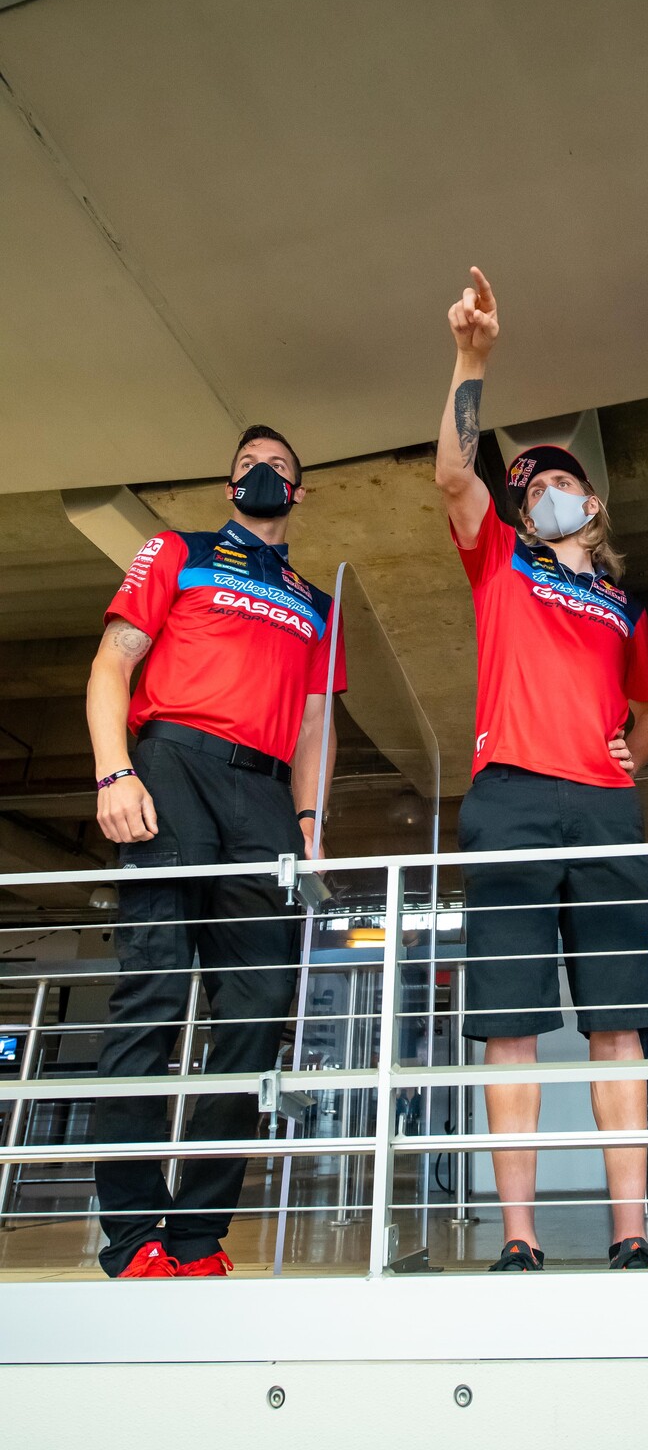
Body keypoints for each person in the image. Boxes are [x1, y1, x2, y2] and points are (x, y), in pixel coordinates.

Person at [436, 268, 648, 1271]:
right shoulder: (500, 559)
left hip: (607, 804)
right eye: (531, 486)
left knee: (620, 1026)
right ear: (524, 510)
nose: (547, 491)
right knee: (510, 1031)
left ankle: (629, 1233)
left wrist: (636, 748)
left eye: (560, 479)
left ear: (593, 501)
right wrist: (470, 360)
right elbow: (452, 474)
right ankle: (520, 1238)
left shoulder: (621, 601)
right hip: (512, 798)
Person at [88, 426, 345, 1279]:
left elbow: (314, 722)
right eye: (245, 467)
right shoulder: (178, 550)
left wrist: (308, 824)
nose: (261, 474)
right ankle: (130, 1234)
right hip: (172, 764)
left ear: (297, 492)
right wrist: (114, 772)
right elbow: (110, 665)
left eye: (277, 466)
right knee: (154, 990)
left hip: (265, 795)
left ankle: (197, 1235)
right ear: (228, 488)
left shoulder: (314, 597)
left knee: (256, 1008)